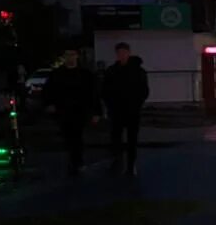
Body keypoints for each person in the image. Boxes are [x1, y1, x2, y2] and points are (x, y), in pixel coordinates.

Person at [42, 47, 99, 176]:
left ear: (77, 56)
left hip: (80, 110)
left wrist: (96, 111)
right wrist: (49, 104)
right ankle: (73, 160)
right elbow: (48, 91)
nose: (70, 58)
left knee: (77, 136)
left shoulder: (85, 74)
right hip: (64, 110)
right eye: (68, 55)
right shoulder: (57, 74)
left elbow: (93, 93)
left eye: (72, 55)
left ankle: (77, 161)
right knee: (68, 136)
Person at [101, 42, 149, 176]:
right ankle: (118, 160)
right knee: (116, 137)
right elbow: (105, 90)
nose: (121, 55)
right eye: (119, 53)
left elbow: (143, 91)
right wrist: (110, 105)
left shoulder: (137, 71)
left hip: (131, 110)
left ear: (128, 53)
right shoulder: (112, 71)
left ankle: (130, 163)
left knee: (131, 138)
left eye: (123, 52)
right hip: (117, 110)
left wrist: (136, 104)